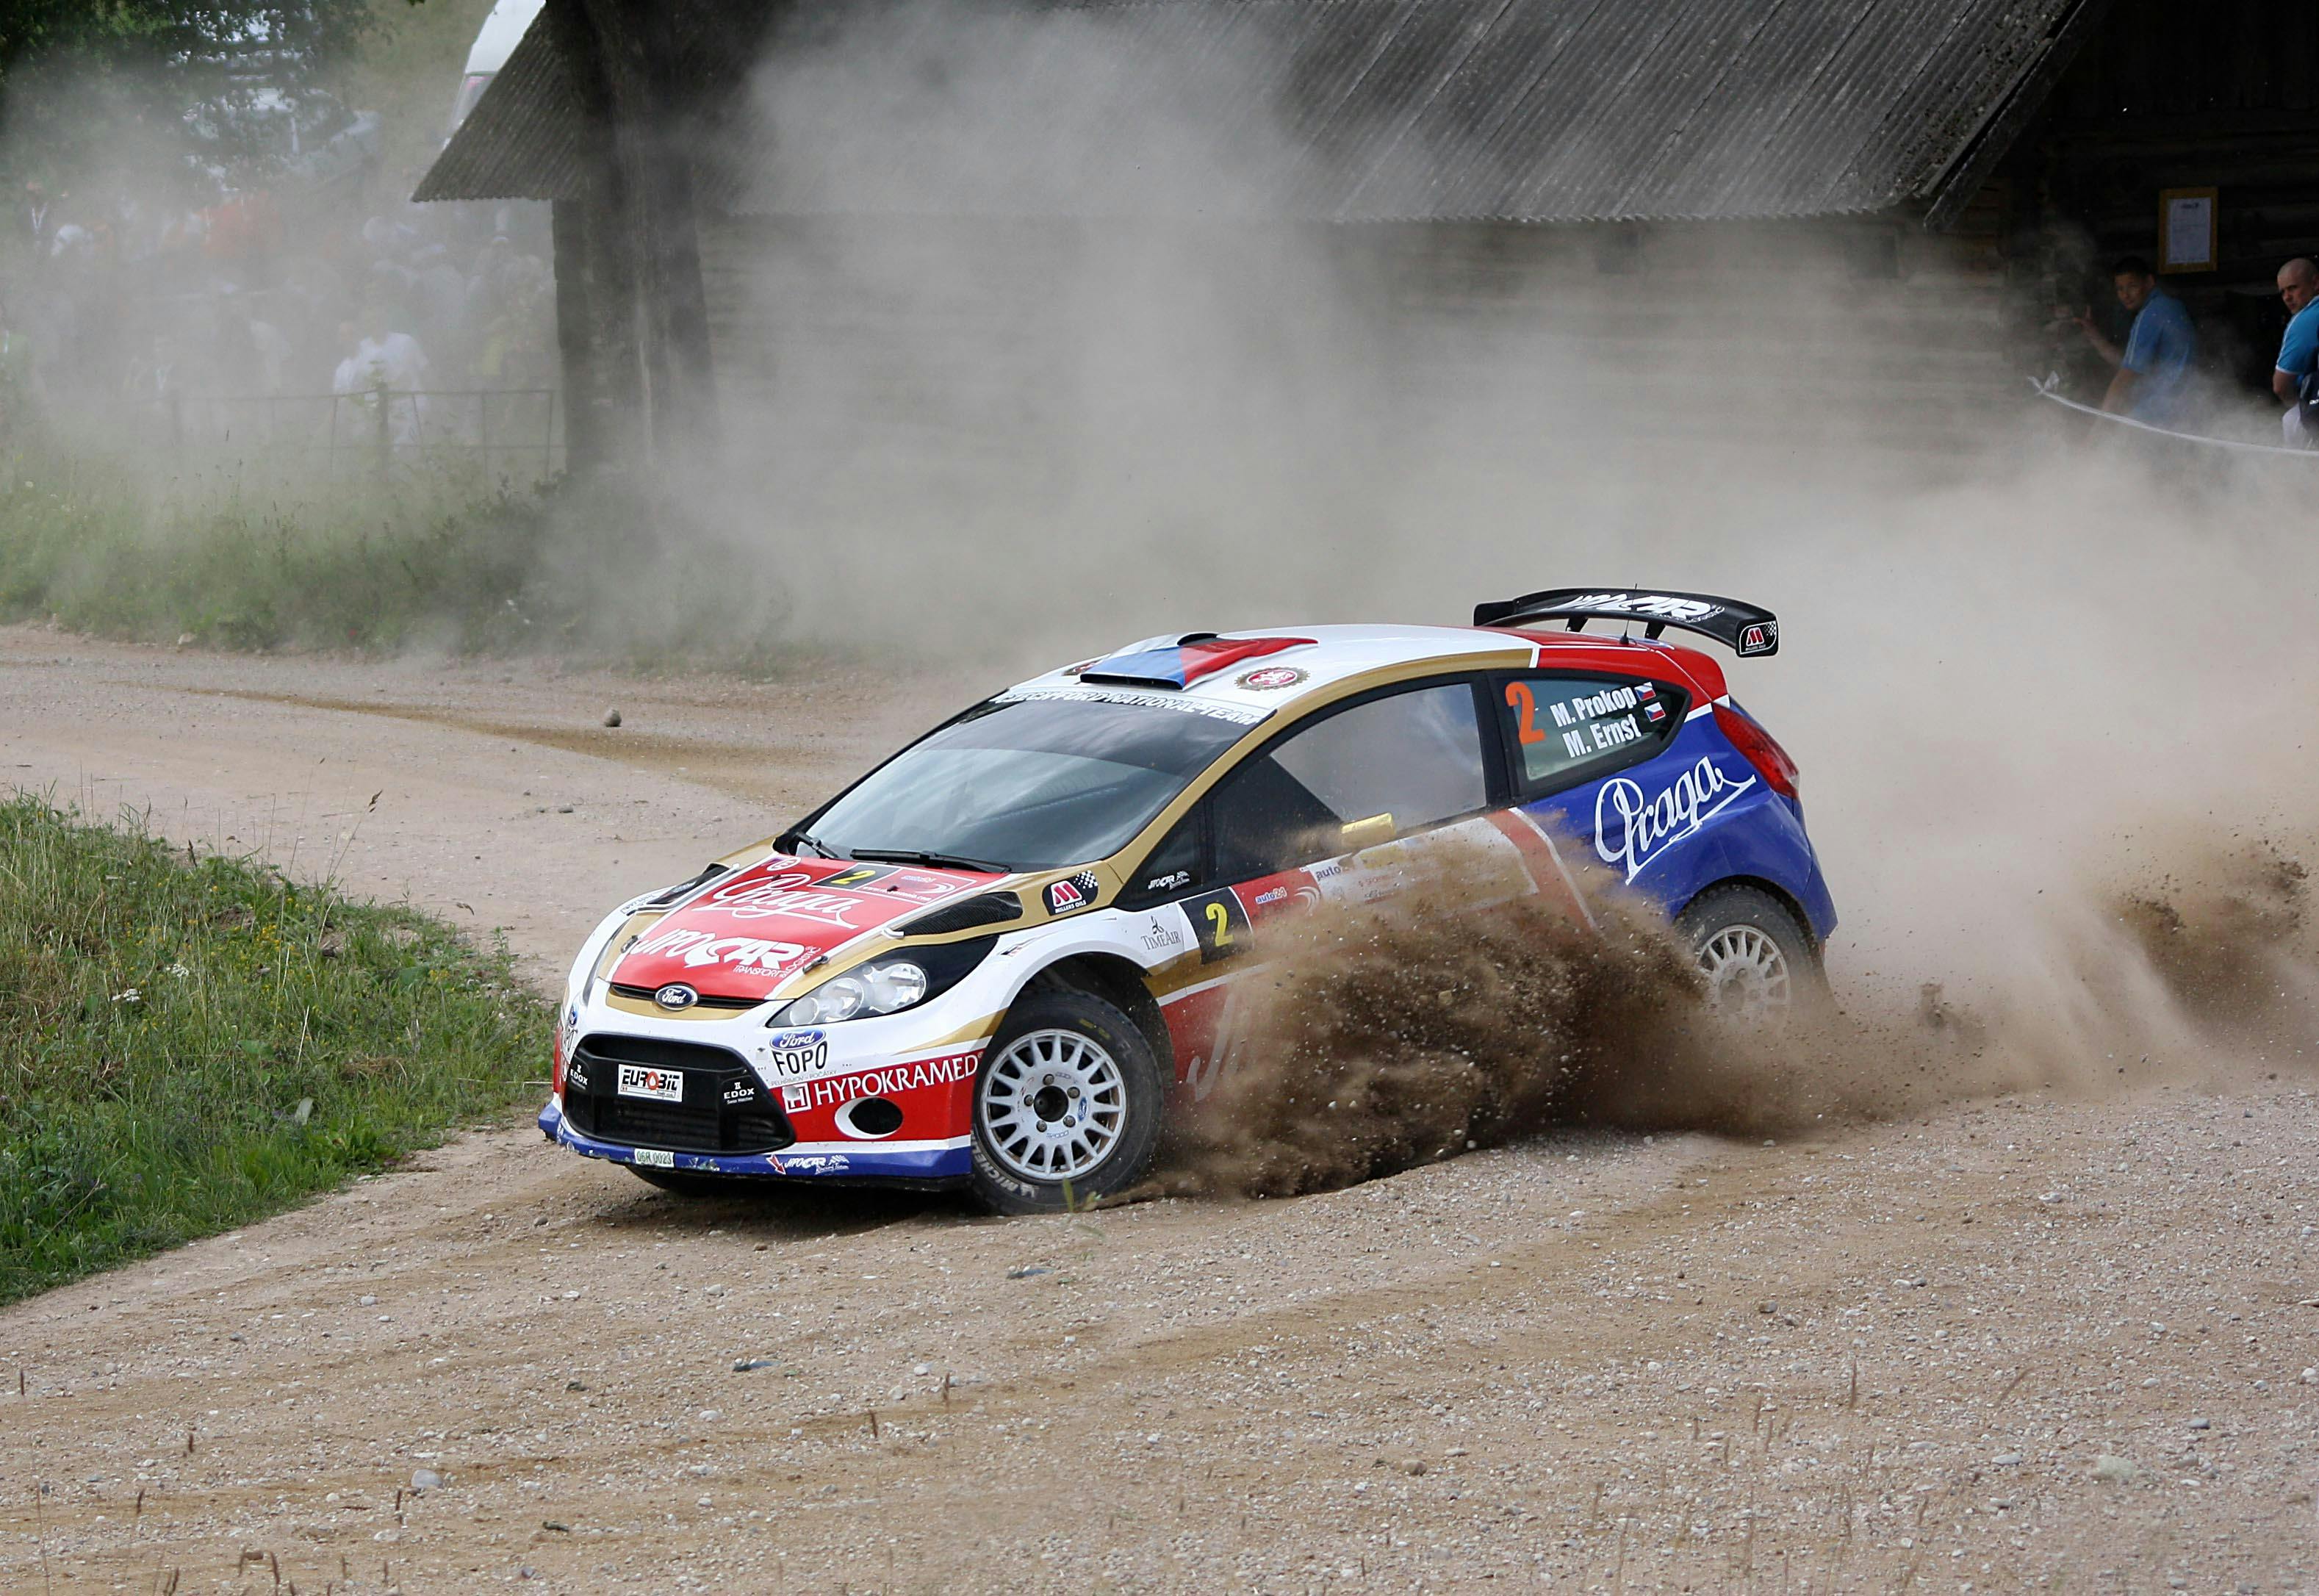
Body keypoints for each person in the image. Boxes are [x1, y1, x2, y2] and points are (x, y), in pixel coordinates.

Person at [2071, 256, 2196, 425]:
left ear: (2149, 282)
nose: (2125, 295)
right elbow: (2129, 364)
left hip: (2162, 412)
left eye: (2132, 286)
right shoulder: (2172, 306)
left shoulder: (2150, 315)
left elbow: (2124, 379)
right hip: (2189, 404)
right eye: (2120, 289)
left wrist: (2096, 433)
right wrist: (2094, 335)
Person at [2273, 257, 2319, 445]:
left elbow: (2281, 386)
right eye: (2283, 292)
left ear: (2315, 283)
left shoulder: (2305, 320)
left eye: (2293, 288)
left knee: (2292, 419)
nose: (2287, 297)